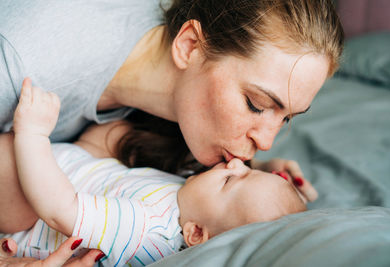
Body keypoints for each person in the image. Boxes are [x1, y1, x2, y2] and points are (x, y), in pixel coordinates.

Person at [0, 0, 343, 264]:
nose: (266, 142)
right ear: (190, 45)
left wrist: (258, 190)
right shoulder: (17, 63)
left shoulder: (173, 152)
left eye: (286, 118)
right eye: (255, 103)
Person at [2, 84, 306, 266]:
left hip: (30, 211)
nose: (237, 164)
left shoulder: (149, 229)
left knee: (7, 153)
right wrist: (263, 175)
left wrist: (34, 134)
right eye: (246, 170)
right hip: (60, 167)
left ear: (196, 234)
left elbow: (60, 211)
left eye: (231, 179)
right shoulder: (190, 203)